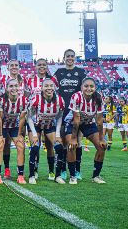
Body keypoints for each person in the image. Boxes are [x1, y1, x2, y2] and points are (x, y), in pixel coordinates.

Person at [64, 77, 106, 184]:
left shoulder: (98, 98)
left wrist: (101, 138)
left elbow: (99, 120)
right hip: (72, 122)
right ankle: (73, 176)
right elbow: (76, 120)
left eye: (91, 86)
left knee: (101, 147)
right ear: (82, 87)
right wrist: (73, 139)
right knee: (71, 146)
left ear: (95, 88)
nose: (89, 88)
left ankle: (96, 176)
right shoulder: (76, 96)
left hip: (88, 123)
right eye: (86, 86)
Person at [53, 49, 86, 180]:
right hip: (62, 110)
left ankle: (77, 170)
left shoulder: (81, 72)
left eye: (72, 56)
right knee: (63, 142)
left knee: (77, 141)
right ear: (64, 58)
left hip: (76, 112)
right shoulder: (59, 72)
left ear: (75, 58)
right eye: (68, 56)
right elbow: (50, 86)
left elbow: (86, 90)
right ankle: (62, 170)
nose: (70, 58)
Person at [26, 79, 65, 184]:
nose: (49, 88)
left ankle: (56, 175)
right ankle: (32, 175)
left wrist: (57, 134)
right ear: (42, 88)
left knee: (59, 147)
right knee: (35, 147)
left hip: (49, 125)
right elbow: (28, 117)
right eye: (46, 86)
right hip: (35, 125)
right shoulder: (35, 100)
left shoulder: (60, 100)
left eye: (51, 86)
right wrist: (34, 134)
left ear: (54, 87)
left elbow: (60, 117)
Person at [0, 78, 28, 184]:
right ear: (6, 89)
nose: (14, 88)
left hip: (14, 125)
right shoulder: (1, 100)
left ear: (19, 87)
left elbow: (22, 118)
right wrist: (0, 135)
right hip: (3, 126)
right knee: (0, 146)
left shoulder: (23, 100)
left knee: (20, 145)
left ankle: (20, 175)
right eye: (11, 86)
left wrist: (19, 134)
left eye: (16, 86)